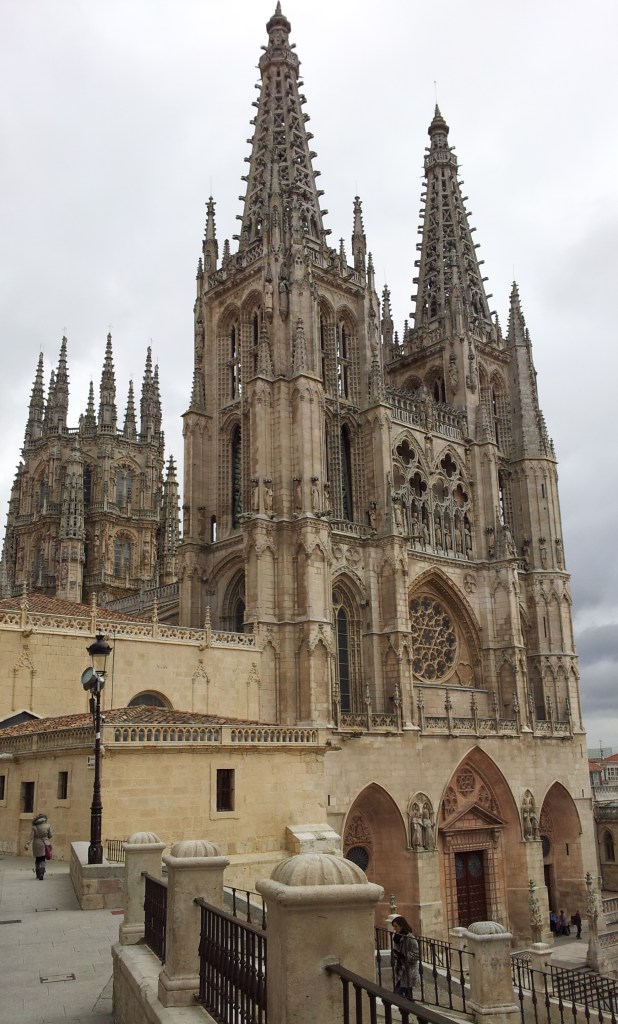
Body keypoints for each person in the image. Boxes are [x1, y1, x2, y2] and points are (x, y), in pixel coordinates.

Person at [391, 915, 420, 999]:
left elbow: (416, 954)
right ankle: (411, 1006)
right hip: (401, 969)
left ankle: (409, 1006)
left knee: (399, 993)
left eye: (396, 926)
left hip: (409, 969)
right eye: (394, 926)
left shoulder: (410, 937)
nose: (395, 929)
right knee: (407, 993)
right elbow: (395, 949)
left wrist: (405, 956)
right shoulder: (396, 937)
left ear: (402, 925)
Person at [24, 812, 53, 880]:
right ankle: (42, 872)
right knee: (43, 858)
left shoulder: (34, 827)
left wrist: (27, 844)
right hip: (45, 843)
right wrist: (46, 837)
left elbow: (31, 837)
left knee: (37, 859)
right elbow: (50, 835)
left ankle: (38, 874)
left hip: (36, 844)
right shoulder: (48, 826)